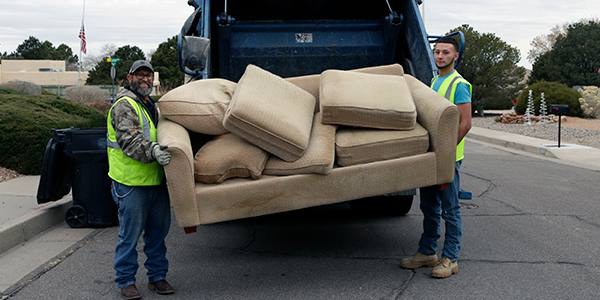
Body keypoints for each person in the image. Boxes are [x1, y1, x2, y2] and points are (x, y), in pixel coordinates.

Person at [400, 36, 472, 278]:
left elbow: (465, 123)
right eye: (437, 52)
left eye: (446, 52)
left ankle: (450, 258)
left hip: (448, 157)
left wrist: (446, 153)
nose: (440, 56)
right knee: (429, 206)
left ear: (456, 56)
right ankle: (427, 252)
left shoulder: (459, 84)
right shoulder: (434, 81)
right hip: (432, 155)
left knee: (450, 209)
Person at [107, 60, 174, 299]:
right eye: (140, 75)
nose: (145, 79)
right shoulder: (124, 105)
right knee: (130, 236)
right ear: (129, 78)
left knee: (157, 234)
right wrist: (155, 151)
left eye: (148, 76)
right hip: (132, 184)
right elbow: (129, 141)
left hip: (156, 181)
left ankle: (157, 277)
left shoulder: (149, 104)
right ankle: (126, 281)